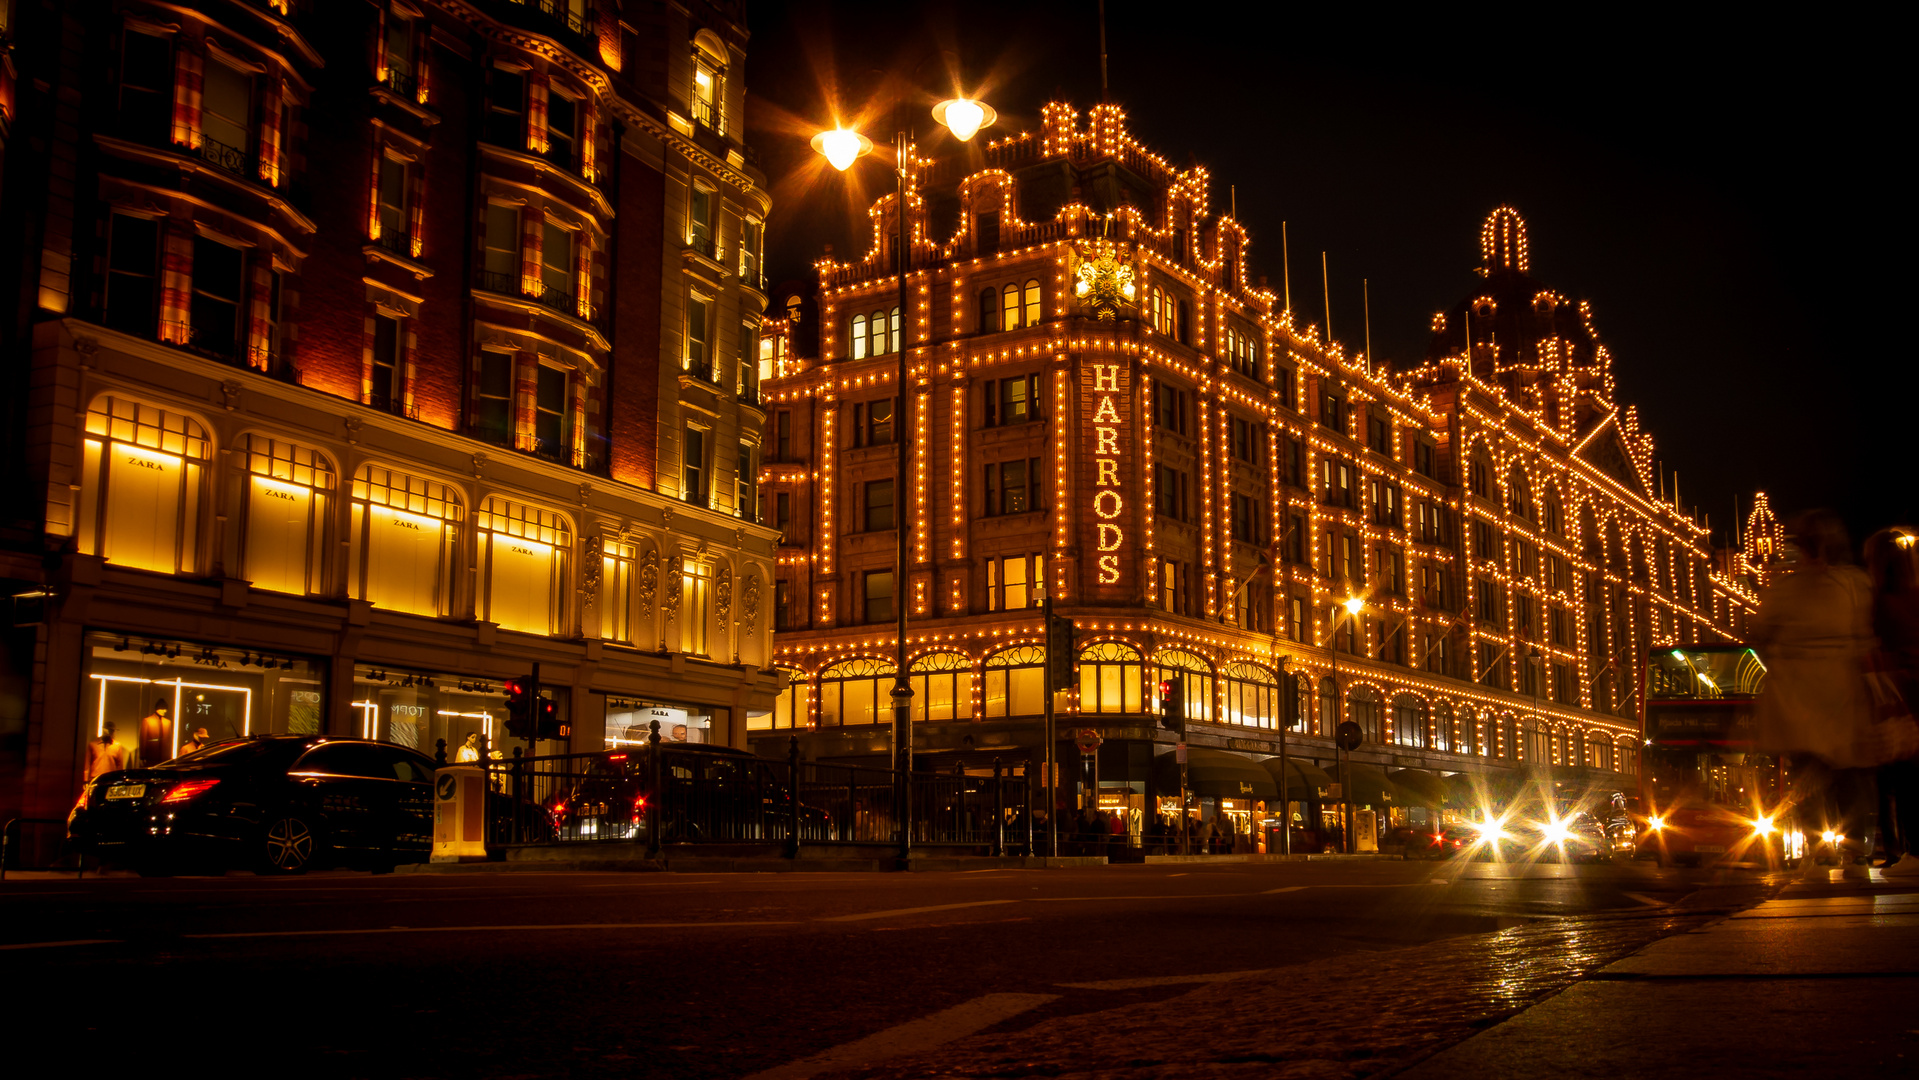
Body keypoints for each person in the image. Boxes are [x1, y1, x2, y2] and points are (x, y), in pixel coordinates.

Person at [1751, 510, 1877, 876]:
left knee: (1823, 777)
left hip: (1816, 691)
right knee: (1835, 775)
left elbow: (1759, 634)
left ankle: (1832, 853)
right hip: (1826, 691)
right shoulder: (1851, 584)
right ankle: (1845, 852)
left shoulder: (1792, 588)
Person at [1865, 527, 1919, 876]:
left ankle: (1905, 850)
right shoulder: (1914, 594)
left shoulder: (1878, 602)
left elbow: (1872, 649)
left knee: (1895, 782)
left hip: (1897, 698)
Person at [84, 722, 129, 787]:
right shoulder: (93, 745)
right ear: (104, 730)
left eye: (112, 731)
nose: (111, 733)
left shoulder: (117, 746)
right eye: (110, 730)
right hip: (95, 779)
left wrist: (120, 780)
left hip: (111, 780)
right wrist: (85, 780)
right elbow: (87, 765)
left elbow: (120, 766)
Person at [137, 698, 173, 767]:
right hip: (151, 758)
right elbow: (143, 740)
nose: (165, 711)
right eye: (162, 708)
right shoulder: (147, 721)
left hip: (164, 759)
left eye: (165, 709)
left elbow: (169, 741)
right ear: (157, 708)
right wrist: (142, 756)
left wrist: (169, 756)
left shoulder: (167, 722)